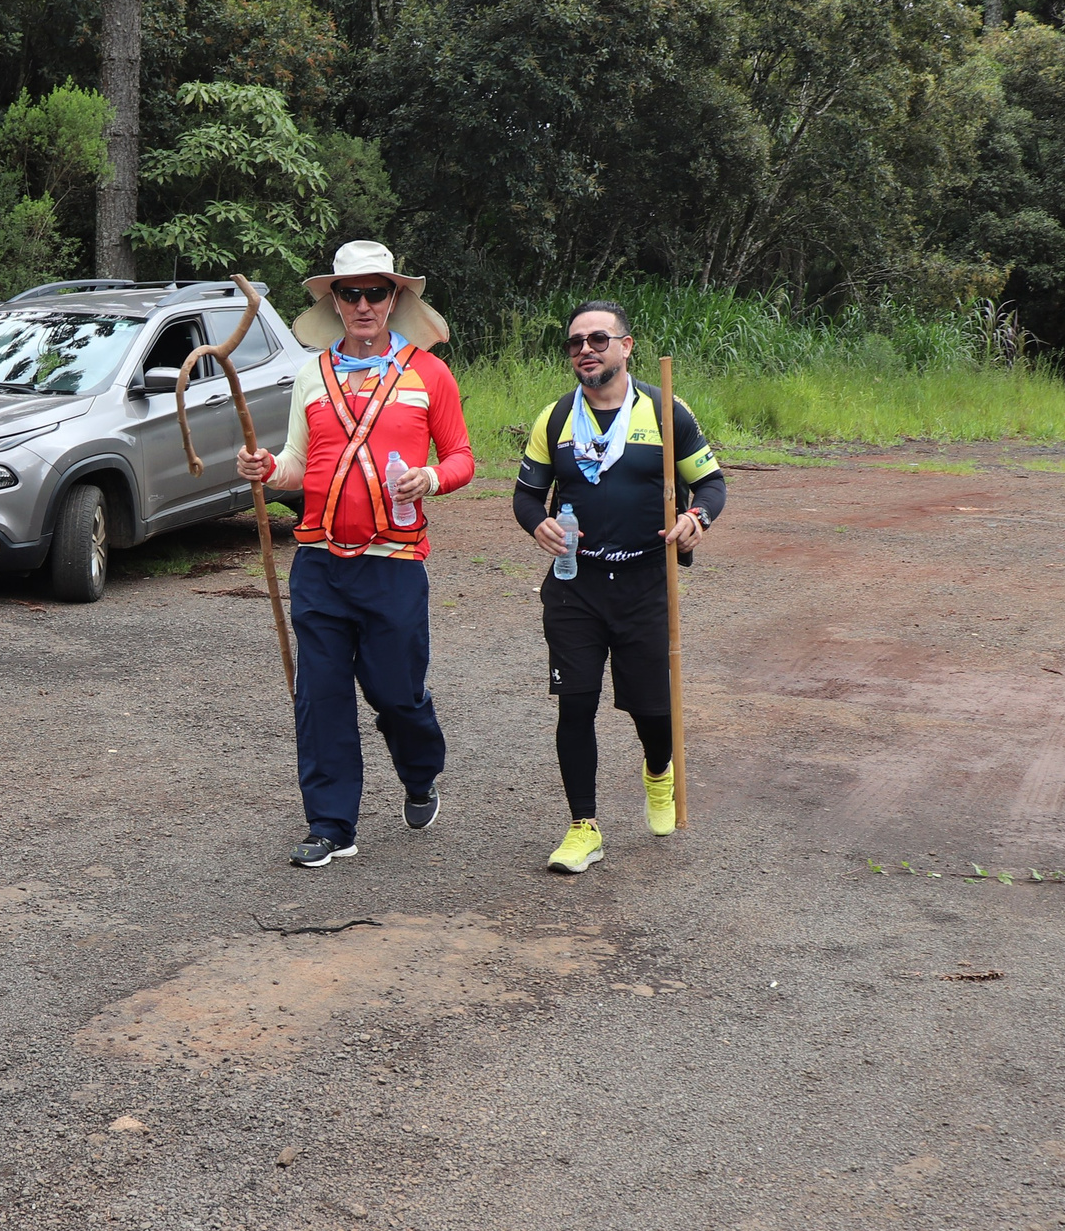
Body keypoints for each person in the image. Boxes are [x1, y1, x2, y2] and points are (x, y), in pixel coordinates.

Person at [234, 240, 475, 867]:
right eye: (350, 293)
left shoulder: (429, 374)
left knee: (397, 693)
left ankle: (420, 770)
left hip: (394, 563)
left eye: (375, 292)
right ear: (334, 302)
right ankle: (331, 824)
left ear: (394, 298)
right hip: (318, 562)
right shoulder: (311, 373)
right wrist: (266, 468)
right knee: (321, 694)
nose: (363, 304)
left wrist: (430, 478)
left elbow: (462, 458)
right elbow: (294, 462)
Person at [516, 300, 725, 875]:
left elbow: (709, 484)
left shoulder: (665, 411)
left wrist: (695, 520)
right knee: (575, 704)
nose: (586, 349)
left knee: (652, 711)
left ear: (626, 346)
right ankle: (583, 826)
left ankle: (659, 770)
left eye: (599, 339)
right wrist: (539, 523)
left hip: (644, 586)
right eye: (576, 341)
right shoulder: (555, 418)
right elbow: (526, 495)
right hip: (574, 586)